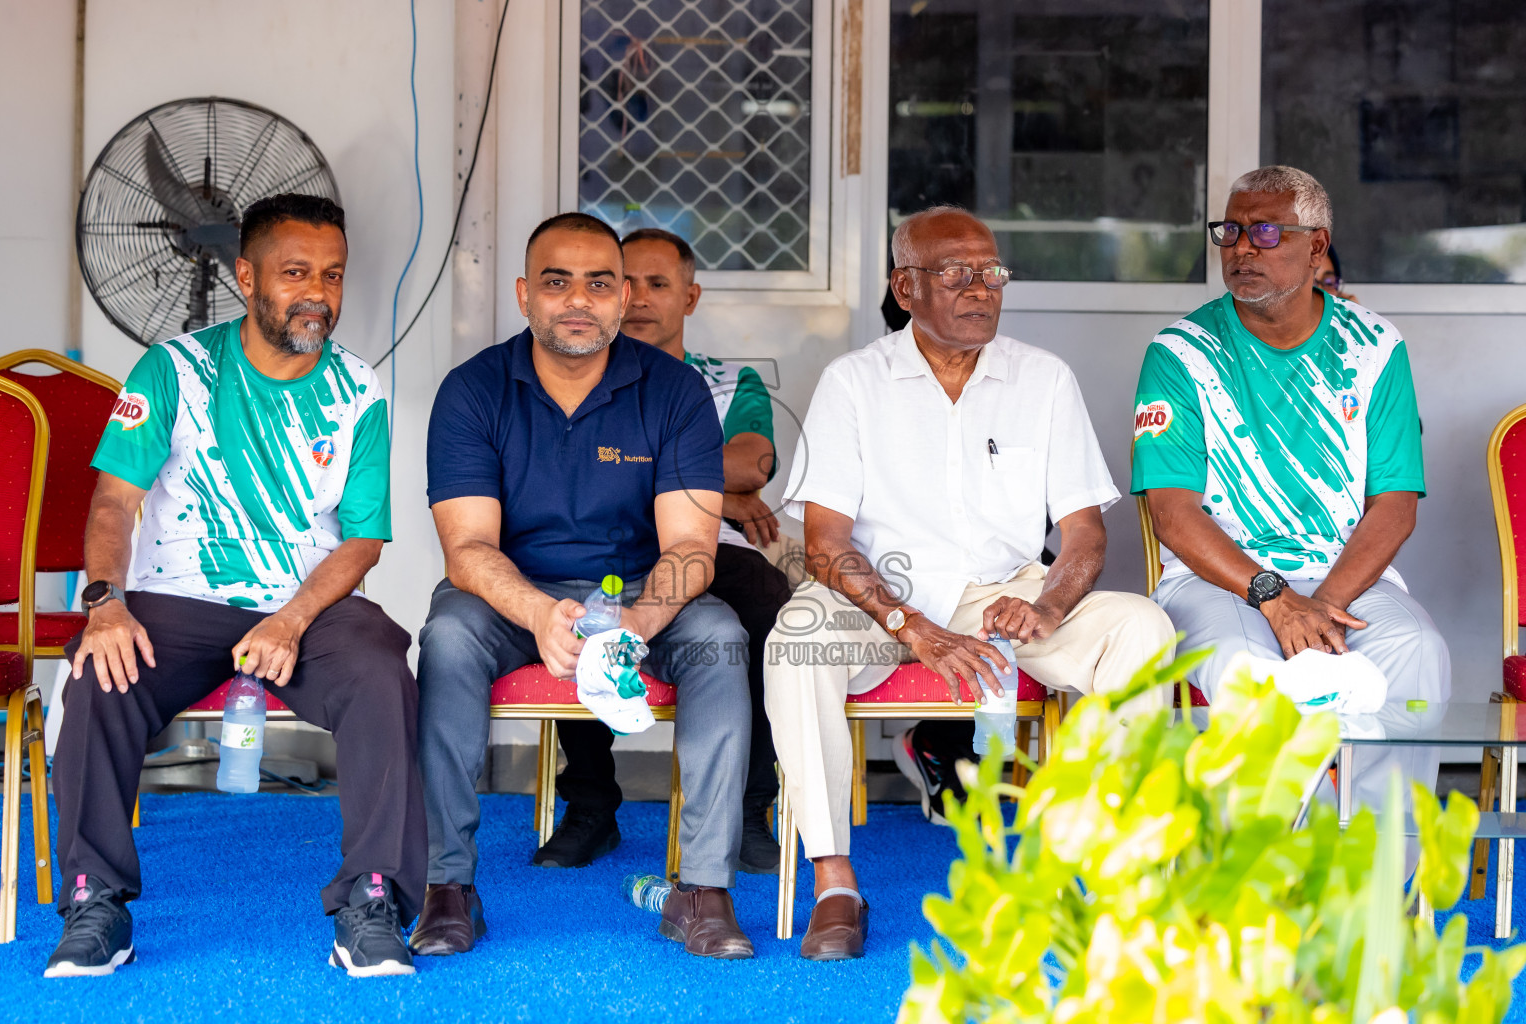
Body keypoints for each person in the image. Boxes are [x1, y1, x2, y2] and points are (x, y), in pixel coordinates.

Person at [765, 206, 1176, 961]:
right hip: (880, 594)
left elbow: (1085, 535)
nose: (981, 289)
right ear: (905, 286)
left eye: (992, 272)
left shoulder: (1043, 378)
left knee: (1142, 627)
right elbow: (825, 543)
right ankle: (834, 880)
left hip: (1003, 592)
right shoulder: (854, 382)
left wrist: (1047, 604)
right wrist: (909, 624)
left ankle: (1124, 874)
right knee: (795, 638)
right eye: (956, 273)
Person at [45, 194, 424, 978]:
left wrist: (291, 619)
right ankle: (94, 902)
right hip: (178, 598)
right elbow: (115, 500)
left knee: (380, 666)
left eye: (332, 274)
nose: (316, 292)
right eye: (294, 273)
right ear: (246, 278)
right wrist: (104, 602)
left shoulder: (358, 389)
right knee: (95, 669)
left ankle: (374, 900)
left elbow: (363, 540)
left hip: (307, 607)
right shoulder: (175, 368)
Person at [411, 212, 754, 960]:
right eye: (557, 282)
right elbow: (466, 550)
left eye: (598, 283)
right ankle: (447, 886)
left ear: (622, 295)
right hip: (510, 593)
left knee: (722, 639)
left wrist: (636, 622)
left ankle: (701, 889)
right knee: (446, 638)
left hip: (640, 589)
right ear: (524, 293)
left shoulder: (673, 392)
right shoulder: (473, 390)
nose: (577, 299)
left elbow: (693, 548)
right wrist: (537, 612)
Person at [1131, 166, 1448, 798]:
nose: (1243, 247)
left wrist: (1322, 603)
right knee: (1250, 674)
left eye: (1267, 232)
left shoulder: (1375, 348)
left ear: (1316, 246)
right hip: (1221, 582)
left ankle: (1375, 876)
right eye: (1232, 231)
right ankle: (1268, 881)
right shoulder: (1181, 352)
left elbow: (1395, 505)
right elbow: (1172, 513)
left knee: (1417, 652)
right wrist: (1275, 597)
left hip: (1347, 581)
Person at [530, 226, 788, 875]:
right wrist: (706, 488)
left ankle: (752, 803)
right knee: (580, 579)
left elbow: (752, 461)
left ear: (691, 297)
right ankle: (590, 805)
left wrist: (681, 489)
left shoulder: (731, 379)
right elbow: (572, 479)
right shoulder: (577, 371)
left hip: (707, 552)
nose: (640, 298)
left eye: (659, 283)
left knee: (759, 591)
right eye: (628, 282)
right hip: (607, 545)